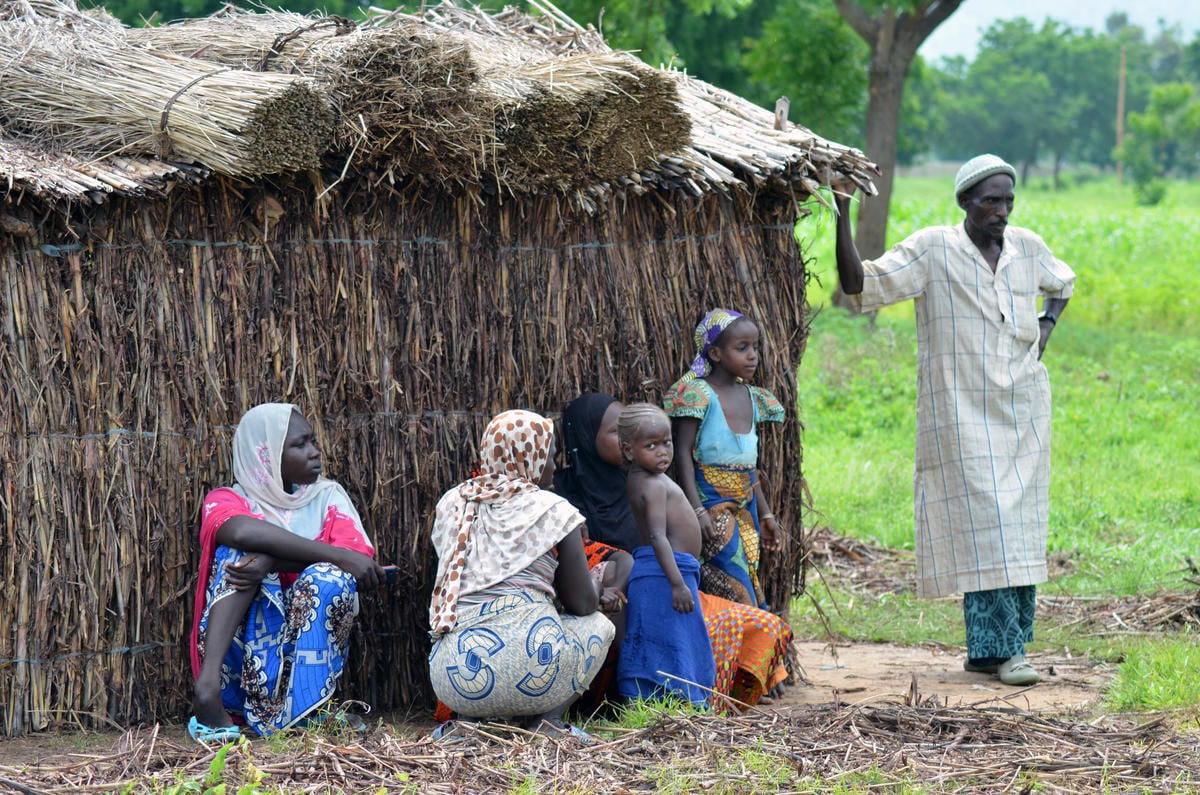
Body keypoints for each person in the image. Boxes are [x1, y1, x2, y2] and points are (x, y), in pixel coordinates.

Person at [832, 154, 1075, 686]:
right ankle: (1008, 650)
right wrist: (841, 208)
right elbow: (859, 283)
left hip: (1023, 408)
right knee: (987, 525)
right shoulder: (933, 248)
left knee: (1018, 528)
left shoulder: (1026, 247)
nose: (1002, 210)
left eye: (1008, 200)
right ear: (965, 200)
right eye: (991, 199)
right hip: (961, 411)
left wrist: (1044, 331)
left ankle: (990, 650)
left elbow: (1062, 283)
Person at [558, 392, 793, 708]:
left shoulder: (643, 479)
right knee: (665, 649)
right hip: (635, 601)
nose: (627, 439)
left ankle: (730, 687)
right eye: (616, 432)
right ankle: (676, 696)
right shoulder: (564, 498)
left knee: (763, 628)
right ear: (585, 437)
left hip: (670, 587)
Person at [189, 403, 385, 743]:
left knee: (330, 578)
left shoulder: (327, 498)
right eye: (300, 444)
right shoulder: (227, 500)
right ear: (265, 454)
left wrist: (272, 561)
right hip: (243, 665)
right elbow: (241, 533)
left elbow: (359, 563)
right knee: (237, 554)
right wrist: (333, 554)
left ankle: (305, 710)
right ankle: (208, 689)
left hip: (301, 657)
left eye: (313, 442)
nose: (314, 452)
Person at [427, 410, 615, 734]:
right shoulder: (552, 508)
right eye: (549, 455)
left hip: (453, 678)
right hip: (534, 673)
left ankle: (467, 724)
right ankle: (548, 721)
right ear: (529, 456)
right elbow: (583, 604)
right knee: (599, 625)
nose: (555, 465)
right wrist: (598, 587)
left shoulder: (452, 503)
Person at [664, 309, 786, 610]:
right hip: (711, 507)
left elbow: (749, 470)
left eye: (755, 347)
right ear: (715, 352)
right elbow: (682, 454)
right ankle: (740, 652)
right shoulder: (698, 395)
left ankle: (739, 653)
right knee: (734, 584)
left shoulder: (755, 399)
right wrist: (697, 510)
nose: (752, 355)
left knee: (747, 576)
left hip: (748, 509)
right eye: (741, 348)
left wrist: (767, 515)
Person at [615, 403, 715, 707]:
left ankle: (655, 701)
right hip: (666, 574)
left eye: (667, 442)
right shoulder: (653, 484)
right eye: (651, 445)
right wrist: (676, 583)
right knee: (676, 641)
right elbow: (658, 536)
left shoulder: (639, 478)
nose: (662, 452)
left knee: (658, 638)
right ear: (629, 450)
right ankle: (682, 701)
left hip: (661, 571)